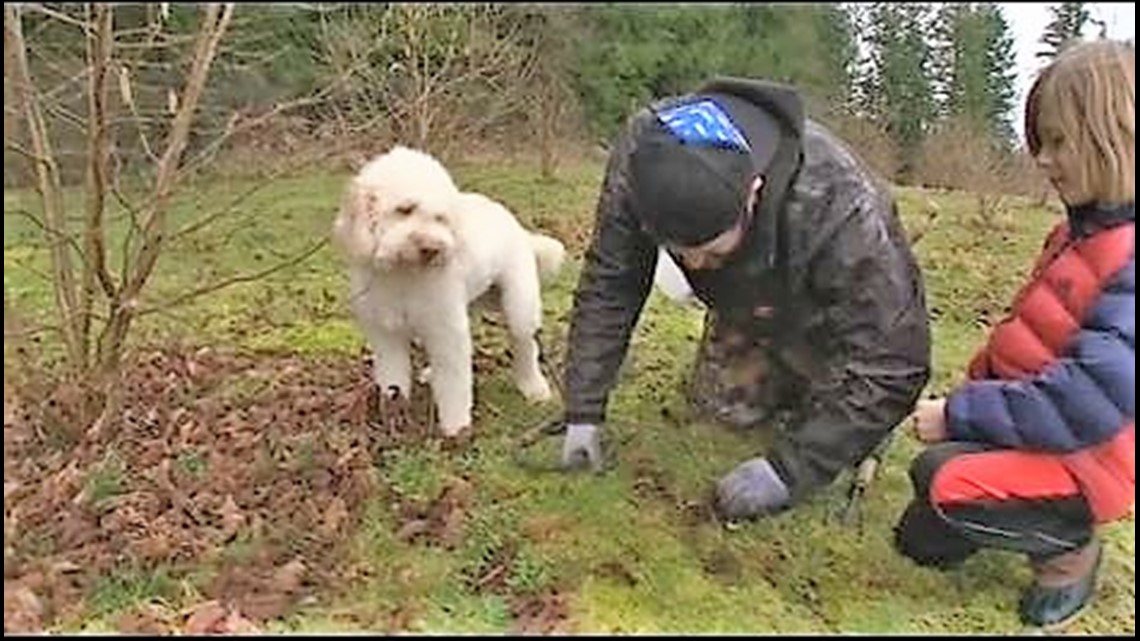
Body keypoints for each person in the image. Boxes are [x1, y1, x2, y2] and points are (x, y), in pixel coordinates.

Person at [556, 76, 932, 520]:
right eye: (678, 252)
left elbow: (895, 363)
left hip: (833, 324)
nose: (694, 265)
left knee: (837, 418)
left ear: (753, 191)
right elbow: (611, 281)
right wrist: (584, 409)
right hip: (745, 310)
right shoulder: (642, 155)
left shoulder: (841, 200)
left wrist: (790, 471)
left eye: (712, 250)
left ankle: (849, 418)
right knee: (721, 415)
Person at [893, 40, 1134, 629]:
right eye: (1039, 143)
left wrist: (961, 414)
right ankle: (983, 509)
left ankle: (1070, 551)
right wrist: (972, 392)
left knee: (941, 480)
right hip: (1034, 431)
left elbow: (1085, 402)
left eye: (1058, 142)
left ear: (1113, 136)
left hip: (1089, 460)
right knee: (923, 527)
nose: (1044, 160)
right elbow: (1027, 329)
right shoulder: (1075, 233)